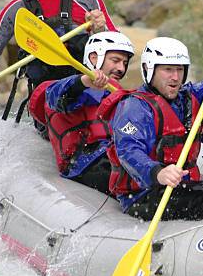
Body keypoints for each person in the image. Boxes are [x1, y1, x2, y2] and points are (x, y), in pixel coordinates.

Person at [97, 37, 203, 221]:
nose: (175, 77)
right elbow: (129, 151)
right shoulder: (134, 107)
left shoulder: (189, 97)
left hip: (185, 189)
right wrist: (158, 172)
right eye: (168, 69)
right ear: (149, 70)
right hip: (144, 195)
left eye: (179, 69)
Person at [28, 32, 134, 195]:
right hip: (85, 164)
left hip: (116, 157)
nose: (121, 68)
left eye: (125, 63)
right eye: (115, 60)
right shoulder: (65, 88)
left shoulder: (121, 95)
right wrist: (84, 82)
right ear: (93, 58)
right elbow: (58, 97)